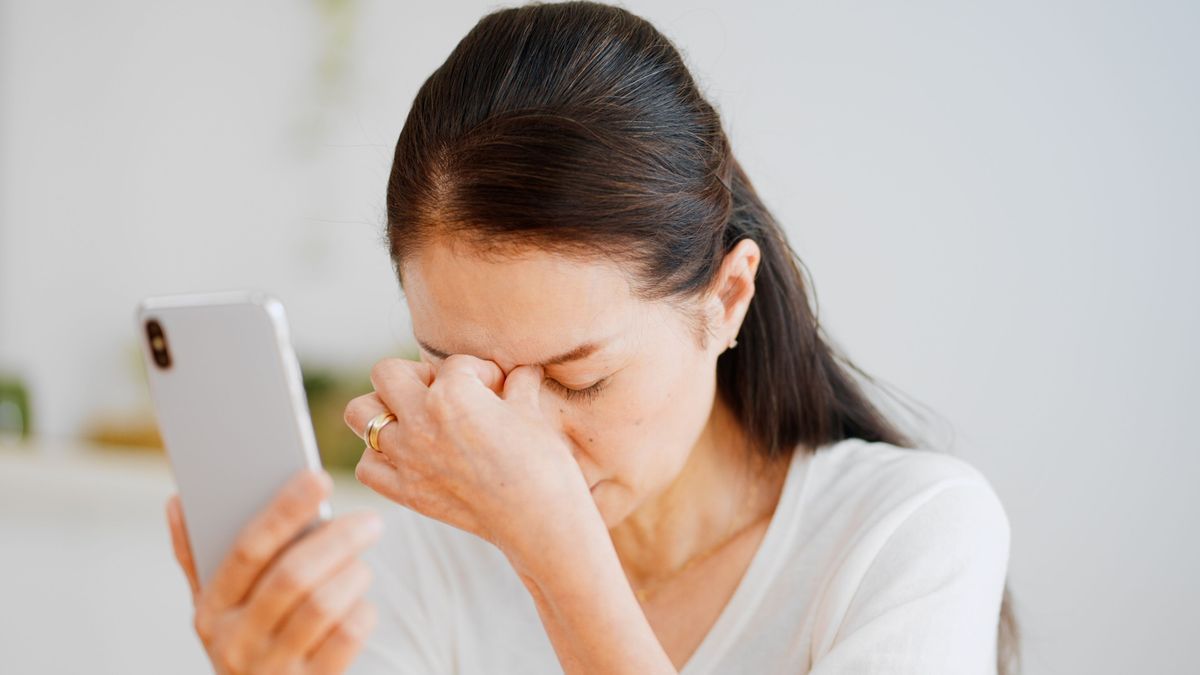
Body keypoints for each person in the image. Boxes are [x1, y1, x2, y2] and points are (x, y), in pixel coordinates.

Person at [165, 1, 1019, 673]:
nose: (519, 442)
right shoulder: (432, 562)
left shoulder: (905, 534)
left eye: (578, 380)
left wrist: (556, 555)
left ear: (727, 296)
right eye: (465, 373)